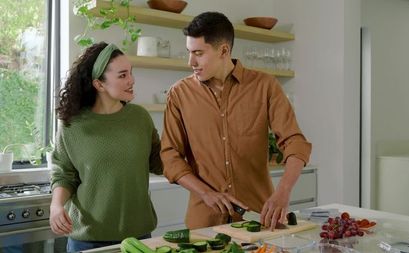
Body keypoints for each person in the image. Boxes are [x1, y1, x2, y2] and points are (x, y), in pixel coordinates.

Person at [160, 12, 311, 230]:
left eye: (198, 53)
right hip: (205, 222)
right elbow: (169, 155)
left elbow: (295, 141)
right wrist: (206, 193)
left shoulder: (265, 86)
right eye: (189, 52)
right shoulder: (179, 94)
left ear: (224, 50)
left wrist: (283, 192)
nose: (190, 61)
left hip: (259, 218)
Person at [49, 42, 163, 252]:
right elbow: (64, 173)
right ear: (99, 84)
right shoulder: (72, 125)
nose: (131, 80)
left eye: (130, 73)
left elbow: (159, 163)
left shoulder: (140, 118)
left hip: (139, 236)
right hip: (88, 237)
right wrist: (56, 206)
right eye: (122, 75)